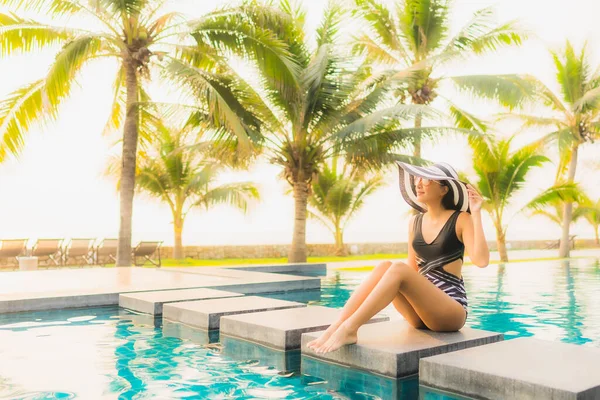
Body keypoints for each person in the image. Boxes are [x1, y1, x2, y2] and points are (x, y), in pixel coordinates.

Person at [307, 161, 490, 354]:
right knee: (385, 266)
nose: (418, 183)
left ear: (444, 189)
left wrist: (476, 212)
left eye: (426, 179)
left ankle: (350, 329)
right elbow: (413, 270)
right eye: (417, 178)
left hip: (450, 312)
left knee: (397, 268)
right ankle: (336, 326)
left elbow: (481, 260)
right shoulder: (415, 222)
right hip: (420, 314)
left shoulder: (461, 219)